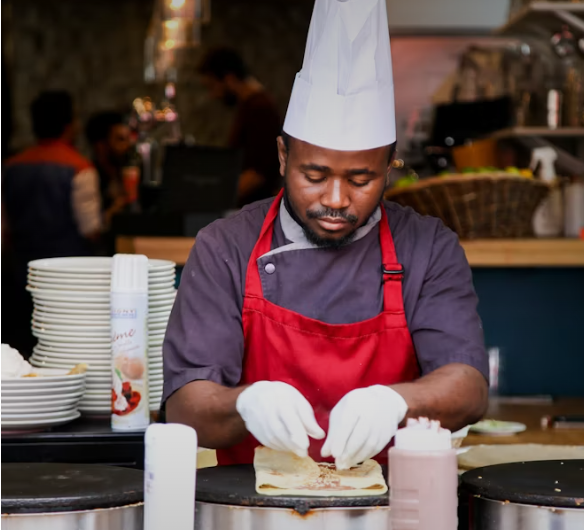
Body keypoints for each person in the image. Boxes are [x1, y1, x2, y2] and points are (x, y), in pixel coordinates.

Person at [164, 0, 488, 469]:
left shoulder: (427, 248)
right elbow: (185, 405)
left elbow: (469, 387)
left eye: (361, 179)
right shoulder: (226, 246)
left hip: (393, 500)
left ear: (389, 167)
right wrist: (244, 405)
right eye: (314, 176)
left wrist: (397, 402)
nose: (336, 199)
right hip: (249, 502)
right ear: (283, 156)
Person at [2, 91, 102, 354]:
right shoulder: (80, 168)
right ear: (70, 125)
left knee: (24, 347)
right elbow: (91, 229)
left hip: (21, 275)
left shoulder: (11, 167)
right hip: (69, 280)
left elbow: (4, 228)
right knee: (64, 348)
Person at [197, 47, 282, 206]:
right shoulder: (249, 106)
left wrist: (213, 200)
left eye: (213, 86)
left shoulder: (260, 108)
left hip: (255, 209)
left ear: (229, 79)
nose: (213, 95)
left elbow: (258, 173)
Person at [85, 112, 131, 242]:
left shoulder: (128, 173)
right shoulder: (88, 179)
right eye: (120, 139)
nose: (128, 146)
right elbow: (91, 229)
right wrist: (115, 208)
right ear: (101, 145)